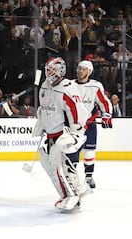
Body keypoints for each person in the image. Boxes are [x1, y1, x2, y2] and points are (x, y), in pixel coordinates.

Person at [33, 57, 89, 212]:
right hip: (50, 134)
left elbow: (76, 110)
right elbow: (45, 107)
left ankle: (70, 196)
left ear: (60, 70)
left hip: (63, 134)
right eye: (47, 69)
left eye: (51, 69)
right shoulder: (45, 85)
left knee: (54, 167)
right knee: (55, 165)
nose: (48, 72)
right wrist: (42, 122)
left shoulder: (68, 87)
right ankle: (77, 186)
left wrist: (76, 132)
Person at [74, 60, 113, 188]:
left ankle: (89, 177)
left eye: (84, 69)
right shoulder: (70, 85)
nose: (80, 71)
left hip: (89, 124)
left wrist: (106, 115)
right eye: (79, 68)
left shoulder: (95, 86)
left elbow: (104, 102)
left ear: (89, 72)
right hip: (73, 125)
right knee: (71, 151)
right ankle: (71, 176)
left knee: (89, 152)